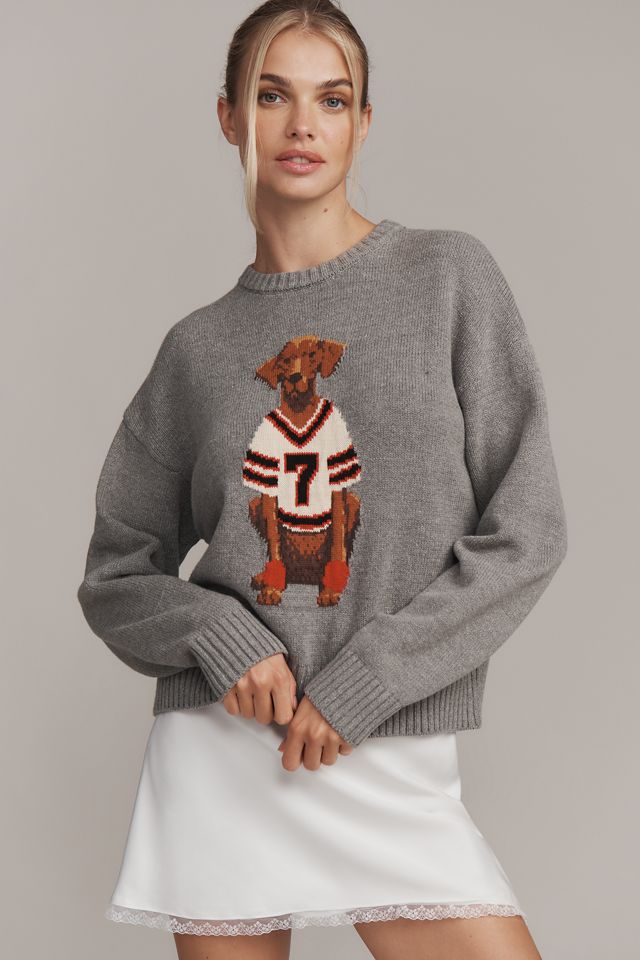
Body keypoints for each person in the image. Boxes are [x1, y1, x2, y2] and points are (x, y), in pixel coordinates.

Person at [76, 2, 568, 958]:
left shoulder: (448, 278)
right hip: (226, 748)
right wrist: (220, 638)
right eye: (273, 96)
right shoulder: (198, 349)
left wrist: (370, 681)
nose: (303, 125)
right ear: (229, 117)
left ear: (363, 122)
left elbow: (529, 532)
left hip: (383, 732)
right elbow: (114, 573)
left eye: (332, 100)